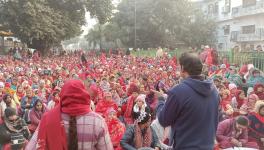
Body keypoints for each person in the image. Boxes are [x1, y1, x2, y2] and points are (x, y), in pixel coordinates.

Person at [157, 52, 220, 149]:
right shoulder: (214, 90)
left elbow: (164, 120)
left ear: (182, 68)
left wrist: (161, 100)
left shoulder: (178, 91)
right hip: (208, 146)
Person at [29, 79, 113, 150]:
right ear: (84, 94)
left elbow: (31, 147)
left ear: (63, 95)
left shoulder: (48, 119)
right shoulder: (98, 121)